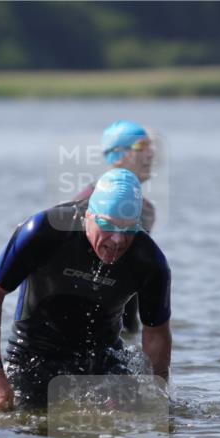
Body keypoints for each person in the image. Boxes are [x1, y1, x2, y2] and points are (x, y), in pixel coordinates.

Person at [0, 169, 172, 410]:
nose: (118, 240)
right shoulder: (44, 231)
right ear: (89, 215)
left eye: (128, 229)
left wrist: (156, 394)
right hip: (34, 355)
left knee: (128, 419)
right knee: (15, 421)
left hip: (103, 359)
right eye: (108, 226)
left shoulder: (148, 260)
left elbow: (156, 332)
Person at [75, 121, 157, 333]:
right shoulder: (87, 203)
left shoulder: (146, 209)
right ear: (116, 155)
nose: (150, 154)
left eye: (151, 147)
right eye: (141, 147)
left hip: (124, 322)